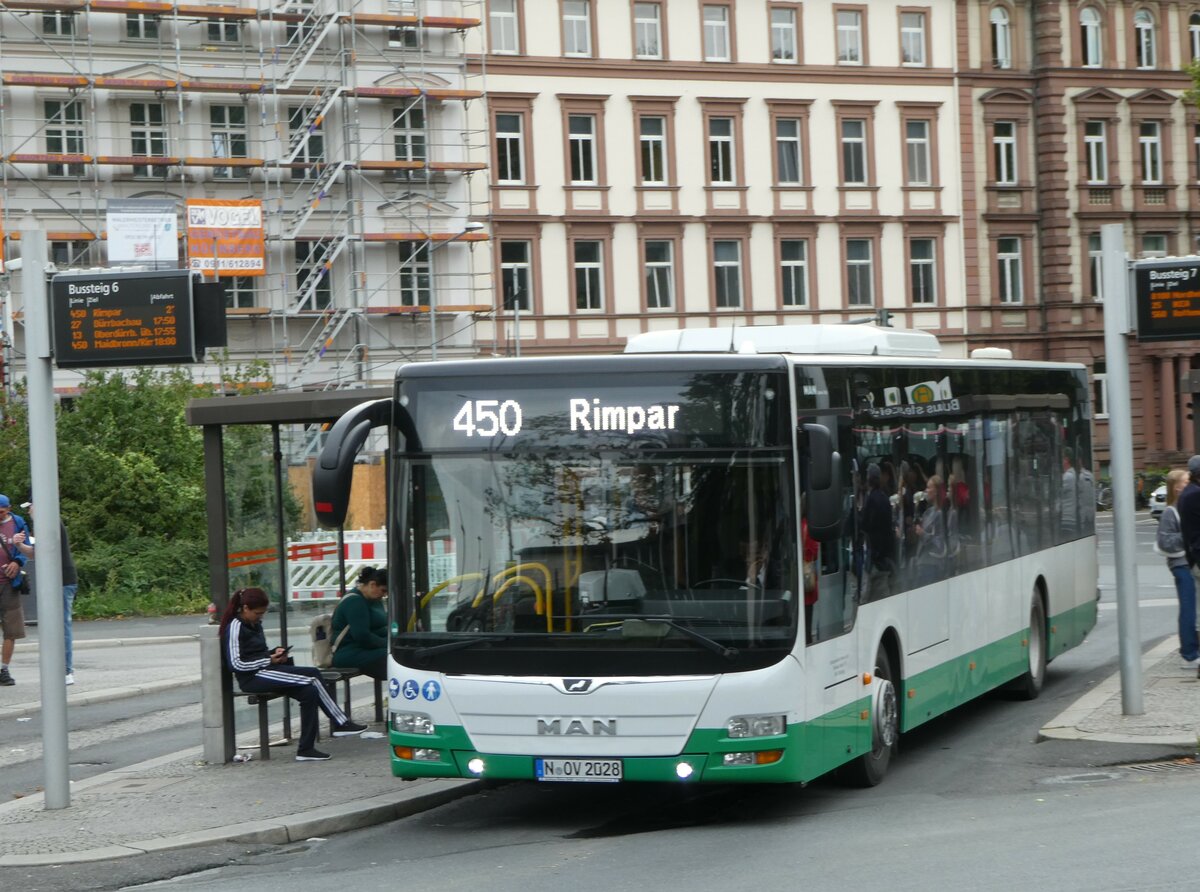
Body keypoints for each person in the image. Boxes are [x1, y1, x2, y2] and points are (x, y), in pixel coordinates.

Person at [219, 587, 366, 761]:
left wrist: (274, 654)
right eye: (258, 613)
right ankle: (340, 721)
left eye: (263, 613)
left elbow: (257, 652)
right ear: (245, 609)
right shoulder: (235, 627)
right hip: (253, 677)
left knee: (309, 692)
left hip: (266, 670)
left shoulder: (255, 624)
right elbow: (236, 664)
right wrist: (269, 660)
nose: (261, 617)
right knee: (312, 675)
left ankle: (306, 749)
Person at [13, 500, 79, 685]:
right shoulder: (47, 523)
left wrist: (21, 546)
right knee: (54, 626)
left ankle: (66, 670)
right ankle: (60, 669)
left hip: (62, 581)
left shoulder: (48, 522)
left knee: (61, 626)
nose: (29, 512)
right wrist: (19, 546)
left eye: (31, 508)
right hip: (56, 581)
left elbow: (40, 551)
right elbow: (37, 552)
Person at [1156, 469, 1199, 669]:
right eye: (1185, 481)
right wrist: (1189, 534)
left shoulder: (1187, 506)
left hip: (1189, 561)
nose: (1189, 484)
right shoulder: (1170, 512)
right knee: (1189, 609)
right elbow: (1165, 541)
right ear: (1177, 487)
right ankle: (1189, 654)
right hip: (1181, 565)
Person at [330, 566, 388, 680]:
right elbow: (362, 636)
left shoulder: (373, 600)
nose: (385, 594)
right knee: (393, 657)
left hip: (365, 650)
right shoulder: (355, 602)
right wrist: (388, 644)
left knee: (398, 654)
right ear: (372, 584)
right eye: (383, 590)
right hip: (349, 653)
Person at [0, 495, 30, 687]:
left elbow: (27, 548)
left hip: (9, 583)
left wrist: (18, 562)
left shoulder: (18, 523)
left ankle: (4, 669)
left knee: (11, 630)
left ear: (8, 509)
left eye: (1, 512)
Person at [859, 463, 897, 600]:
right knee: (881, 590)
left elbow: (865, 525)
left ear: (868, 479)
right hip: (884, 554)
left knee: (868, 593)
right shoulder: (884, 497)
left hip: (874, 554)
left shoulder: (871, 499)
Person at [913, 474, 948, 587]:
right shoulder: (928, 512)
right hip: (922, 562)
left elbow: (939, 541)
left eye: (929, 488)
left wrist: (923, 534)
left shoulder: (940, 514)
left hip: (932, 563)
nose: (926, 491)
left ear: (936, 491)